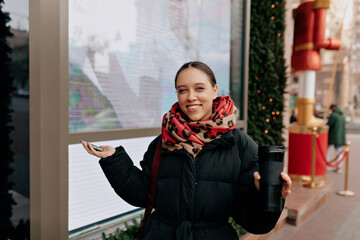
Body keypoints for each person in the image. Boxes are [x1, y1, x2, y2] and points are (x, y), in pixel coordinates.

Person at [82, 61, 292, 240]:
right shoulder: (163, 141)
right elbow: (142, 194)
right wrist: (114, 159)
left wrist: (265, 193)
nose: (191, 96)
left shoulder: (239, 144)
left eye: (199, 88)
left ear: (214, 90)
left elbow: (256, 223)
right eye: (183, 90)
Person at [327, 104, 346, 173]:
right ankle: (339, 167)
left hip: (332, 136)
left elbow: (328, 125)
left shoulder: (333, 115)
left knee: (326, 150)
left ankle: (327, 165)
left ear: (333, 108)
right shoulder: (343, 116)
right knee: (338, 152)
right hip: (340, 137)